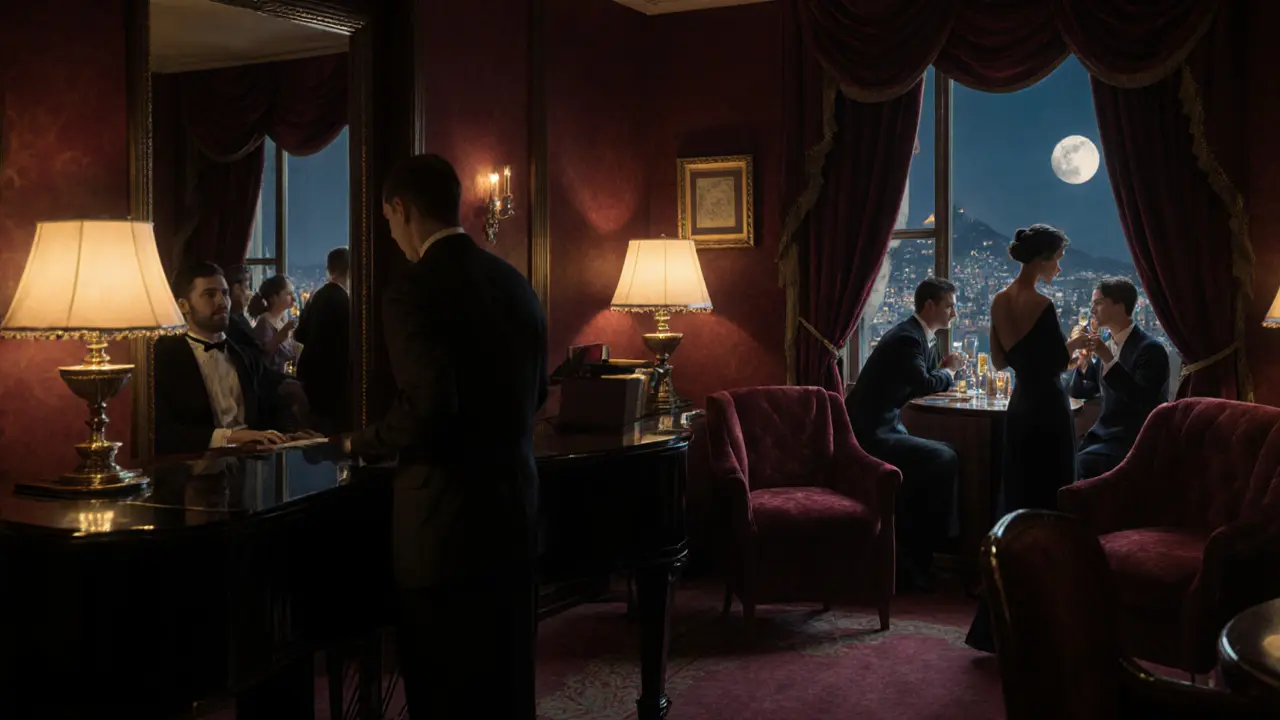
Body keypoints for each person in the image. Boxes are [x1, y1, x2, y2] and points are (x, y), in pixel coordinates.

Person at [335, 153, 548, 718]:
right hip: (514, 511)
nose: (392, 234)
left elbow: (429, 408)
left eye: (386, 220)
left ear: (401, 209)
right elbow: (538, 395)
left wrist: (361, 442)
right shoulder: (513, 281)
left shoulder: (413, 290)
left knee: (444, 690)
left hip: (444, 528)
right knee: (507, 683)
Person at [965, 224, 1091, 652]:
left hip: (1020, 409)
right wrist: (1074, 343)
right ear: (1040, 260)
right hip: (1050, 411)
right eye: (1056, 257)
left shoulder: (999, 300)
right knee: (1052, 504)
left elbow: (999, 361)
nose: (1059, 266)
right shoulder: (1045, 303)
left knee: (1017, 502)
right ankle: (1049, 614)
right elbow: (1058, 362)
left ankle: (998, 620)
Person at [845, 277, 965, 591]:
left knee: (943, 455)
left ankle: (924, 549)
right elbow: (924, 383)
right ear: (930, 305)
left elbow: (919, 378)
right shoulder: (907, 339)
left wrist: (942, 371)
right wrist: (950, 372)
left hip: (886, 425)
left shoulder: (920, 337)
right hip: (870, 433)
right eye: (949, 306)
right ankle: (935, 546)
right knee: (944, 456)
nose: (954, 313)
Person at [154, 262, 303, 455]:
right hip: (193, 471)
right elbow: (163, 432)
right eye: (210, 295)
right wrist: (228, 437)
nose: (222, 302)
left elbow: (273, 402)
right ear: (183, 305)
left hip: (250, 468)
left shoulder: (243, 355)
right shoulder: (164, 359)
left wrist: (291, 434)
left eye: (224, 293)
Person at [1068, 277, 1170, 479]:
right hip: (1102, 436)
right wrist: (1083, 361)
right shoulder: (1109, 342)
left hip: (1132, 440)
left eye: (1098, 303)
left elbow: (1142, 400)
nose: (1092, 311)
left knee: (1074, 467)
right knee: (1054, 457)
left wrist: (1106, 356)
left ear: (1119, 305)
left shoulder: (1150, 349)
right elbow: (1081, 391)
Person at [295, 247, 351, 434]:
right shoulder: (345, 301)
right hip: (334, 382)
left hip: (311, 376)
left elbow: (299, 335)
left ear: (329, 269)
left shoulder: (316, 295)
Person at [249, 274, 299, 373]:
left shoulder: (284, 318)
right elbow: (264, 355)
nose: (294, 298)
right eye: (289, 294)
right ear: (273, 297)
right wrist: (282, 333)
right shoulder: (265, 322)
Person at [222, 265, 262, 353]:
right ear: (236, 289)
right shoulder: (232, 323)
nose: (251, 293)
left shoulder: (238, 317)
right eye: (247, 287)